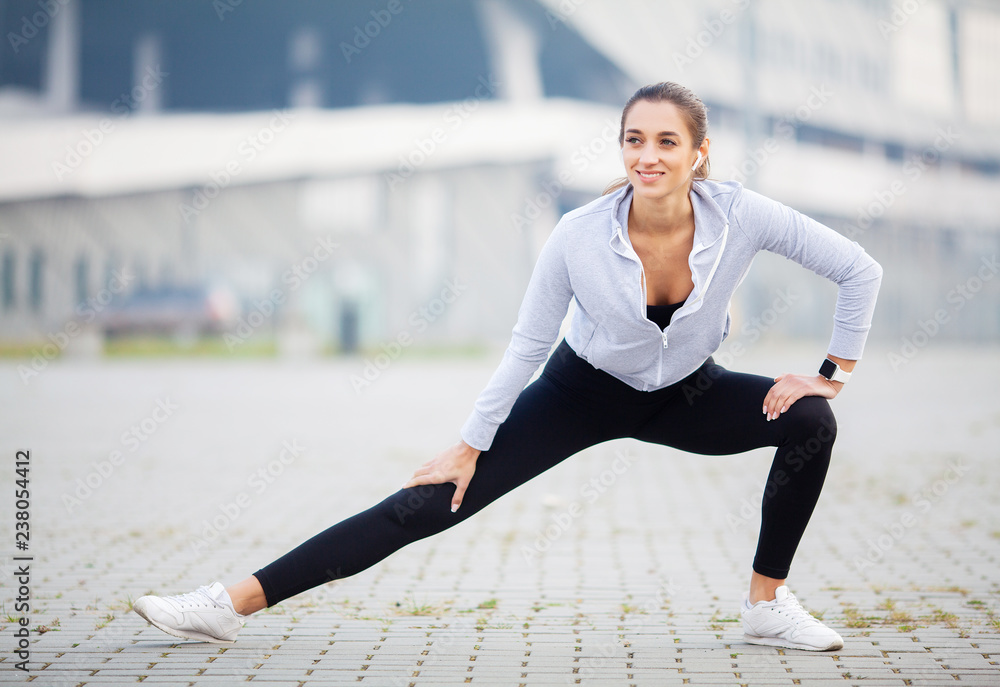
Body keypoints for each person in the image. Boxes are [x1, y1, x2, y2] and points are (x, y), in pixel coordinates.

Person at [133, 81, 882, 652]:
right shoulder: (579, 235)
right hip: (579, 392)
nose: (646, 156)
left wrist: (828, 372)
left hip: (690, 392)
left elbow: (858, 269)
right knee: (424, 503)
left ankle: (764, 605)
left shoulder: (743, 214)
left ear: (698, 154)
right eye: (632, 140)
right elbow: (526, 343)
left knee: (813, 420)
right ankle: (226, 604)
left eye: (665, 141)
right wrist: (471, 439)